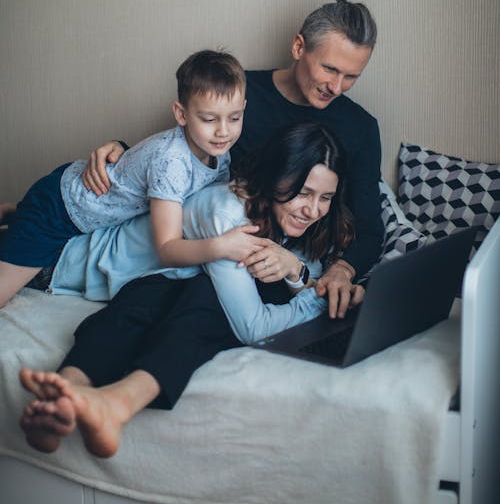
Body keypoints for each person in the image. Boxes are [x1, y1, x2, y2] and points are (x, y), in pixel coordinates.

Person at [19, 122, 361, 458]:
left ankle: (71, 397)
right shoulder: (227, 213)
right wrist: (315, 301)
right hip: (59, 261)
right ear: (275, 176)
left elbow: (310, 270)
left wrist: (297, 271)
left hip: (149, 283)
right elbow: (252, 327)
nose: (312, 210)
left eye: (325, 197)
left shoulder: (303, 221)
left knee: (193, 294)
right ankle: (75, 394)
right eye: (303, 193)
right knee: (197, 297)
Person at [81, 0, 383, 316]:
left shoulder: (361, 129)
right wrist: (122, 151)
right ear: (299, 47)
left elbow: (370, 228)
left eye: (351, 77)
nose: (336, 87)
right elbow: (178, 156)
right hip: (222, 248)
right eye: (330, 69)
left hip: (289, 264)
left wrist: (342, 270)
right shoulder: (240, 96)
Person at [0, 49, 265, 307]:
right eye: (209, 119)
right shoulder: (171, 162)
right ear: (181, 114)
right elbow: (167, 249)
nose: (223, 131)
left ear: (244, 108)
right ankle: (24, 214)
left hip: (85, 202)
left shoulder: (220, 152)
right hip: (60, 208)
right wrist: (220, 247)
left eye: (234, 118)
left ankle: (15, 212)